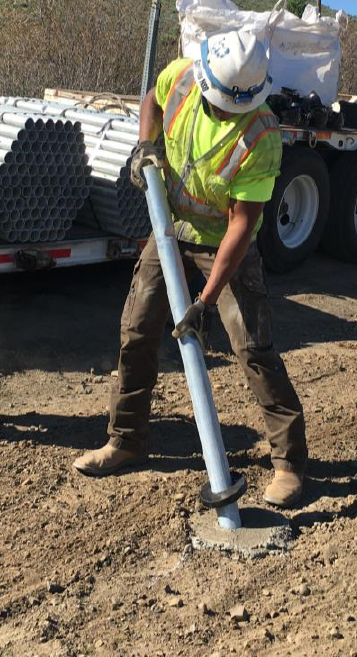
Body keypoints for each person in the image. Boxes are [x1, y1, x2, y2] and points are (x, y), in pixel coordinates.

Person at [72, 28, 309, 507]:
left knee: (252, 347)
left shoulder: (263, 137)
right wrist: (146, 145)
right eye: (219, 100)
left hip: (222, 243)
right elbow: (150, 102)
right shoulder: (183, 76)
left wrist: (205, 301)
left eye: (233, 106)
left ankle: (289, 464)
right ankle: (126, 441)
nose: (223, 111)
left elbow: (243, 227)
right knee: (137, 331)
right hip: (170, 228)